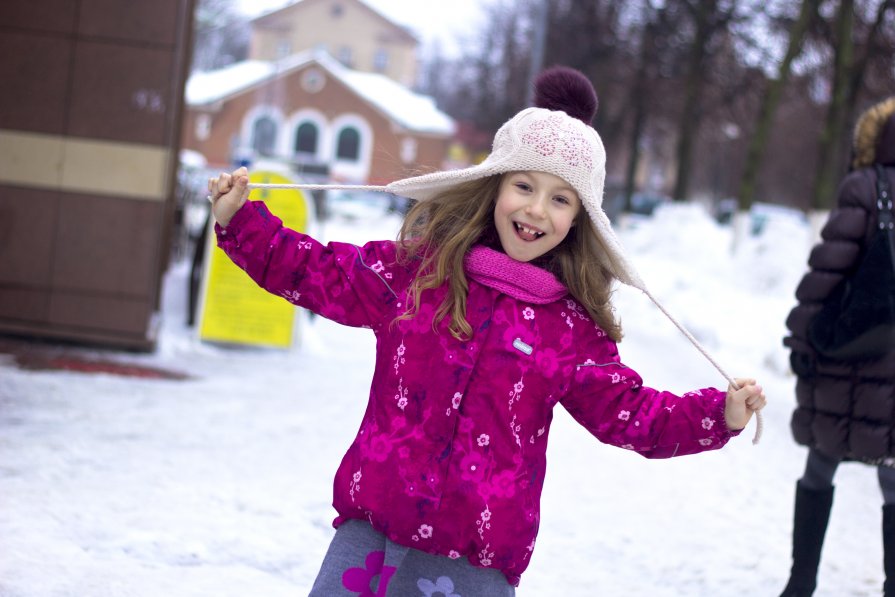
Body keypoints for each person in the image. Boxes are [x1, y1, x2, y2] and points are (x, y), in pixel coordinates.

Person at [208, 66, 767, 595]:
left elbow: (631, 413)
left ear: (579, 220)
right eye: (524, 186)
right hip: (374, 534)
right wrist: (243, 222)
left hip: (475, 560)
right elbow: (320, 273)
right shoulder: (419, 276)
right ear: (495, 186)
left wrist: (718, 415)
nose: (537, 210)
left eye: (561, 198)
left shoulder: (569, 330)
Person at [781, 95, 895, 597]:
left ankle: (801, 583)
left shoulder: (864, 187)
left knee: (821, 463)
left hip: (847, 354)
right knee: (893, 477)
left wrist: (802, 340)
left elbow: (827, 272)